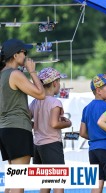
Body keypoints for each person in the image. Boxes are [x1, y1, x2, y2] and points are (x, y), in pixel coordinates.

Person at [0, 39, 45, 193]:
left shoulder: (1, 75)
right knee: (18, 183)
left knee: (12, 182)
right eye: (24, 52)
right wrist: (32, 71)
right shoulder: (15, 74)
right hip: (17, 129)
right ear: (15, 55)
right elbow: (40, 94)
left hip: (5, 130)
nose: (26, 56)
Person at [29, 67, 71, 193]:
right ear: (54, 83)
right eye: (58, 81)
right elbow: (54, 123)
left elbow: (26, 119)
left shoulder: (35, 102)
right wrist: (68, 123)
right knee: (58, 181)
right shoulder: (55, 102)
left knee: (45, 182)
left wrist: (37, 124)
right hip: (52, 145)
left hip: (37, 146)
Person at [79, 74, 106, 193]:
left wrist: (96, 137)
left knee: (97, 182)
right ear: (98, 90)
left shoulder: (87, 108)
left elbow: (82, 132)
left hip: (93, 150)